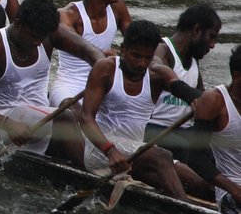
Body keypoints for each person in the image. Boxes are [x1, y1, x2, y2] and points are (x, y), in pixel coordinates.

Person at [0, 0, 105, 163]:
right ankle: (88, 179)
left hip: (38, 116)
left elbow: (90, 52)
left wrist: (104, 68)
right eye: (34, 36)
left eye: (42, 38)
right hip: (4, 121)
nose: (38, 42)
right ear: (18, 23)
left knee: (77, 114)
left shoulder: (47, 32)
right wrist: (8, 124)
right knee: (65, 117)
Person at [78, 20, 204, 200]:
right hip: (101, 153)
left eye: (147, 57)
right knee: (163, 156)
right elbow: (86, 118)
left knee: (198, 183)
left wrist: (200, 103)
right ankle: (186, 212)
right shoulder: (105, 69)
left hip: (136, 156)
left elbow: (190, 94)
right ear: (123, 49)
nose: (141, 63)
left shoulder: (158, 74)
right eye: (136, 56)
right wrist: (110, 151)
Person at [49, 0, 132, 110]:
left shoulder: (117, 6)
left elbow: (136, 41)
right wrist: (103, 55)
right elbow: (81, 47)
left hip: (103, 83)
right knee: (74, 114)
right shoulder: (68, 15)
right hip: (70, 86)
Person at [145, 4, 221, 160]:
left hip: (185, 131)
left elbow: (202, 95)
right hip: (154, 129)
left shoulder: (194, 59)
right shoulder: (162, 49)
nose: (213, 45)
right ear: (196, 30)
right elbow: (155, 68)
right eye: (212, 36)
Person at [185, 45, 241, 214]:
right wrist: (235, 191)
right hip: (231, 194)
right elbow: (195, 158)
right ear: (238, 77)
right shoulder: (214, 101)